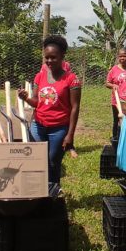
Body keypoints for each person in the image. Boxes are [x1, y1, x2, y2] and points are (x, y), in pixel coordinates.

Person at [18, 36, 80, 184]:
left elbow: (75, 107)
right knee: (37, 160)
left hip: (59, 129)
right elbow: (36, 102)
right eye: (47, 58)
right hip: (38, 125)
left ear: (62, 56)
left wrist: (70, 135)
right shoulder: (39, 77)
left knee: (53, 162)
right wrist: (26, 97)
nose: (49, 61)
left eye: (53, 57)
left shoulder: (72, 79)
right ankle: (38, 191)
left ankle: (53, 193)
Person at [105, 48, 126, 139]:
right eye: (120, 56)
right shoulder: (114, 69)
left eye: (124, 56)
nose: (122, 58)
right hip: (117, 101)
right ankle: (116, 138)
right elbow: (107, 83)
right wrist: (113, 86)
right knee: (117, 119)